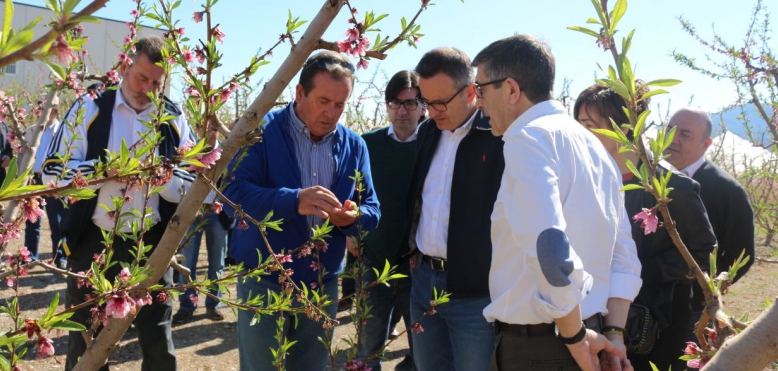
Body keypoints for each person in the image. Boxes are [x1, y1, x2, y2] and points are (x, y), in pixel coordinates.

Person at [471, 35, 641, 371]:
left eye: (480, 89)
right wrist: (614, 334)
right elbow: (624, 257)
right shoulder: (594, 147)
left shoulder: (527, 138)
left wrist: (574, 338)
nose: (477, 103)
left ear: (510, 89)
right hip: (587, 335)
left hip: (542, 347)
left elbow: (549, 249)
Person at [43, 36, 196, 371]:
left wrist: (162, 177)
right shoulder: (90, 106)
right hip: (93, 240)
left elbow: (198, 187)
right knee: (87, 340)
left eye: (158, 82)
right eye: (142, 77)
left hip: (152, 242)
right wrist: (102, 172)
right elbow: (52, 171)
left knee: (158, 338)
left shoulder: (173, 117)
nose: (150, 88)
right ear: (126, 65)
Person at [222, 50, 380, 371]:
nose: (331, 113)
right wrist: (293, 200)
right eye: (323, 101)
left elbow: (372, 209)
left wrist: (352, 218)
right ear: (299, 92)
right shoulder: (260, 132)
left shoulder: (354, 145)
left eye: (339, 105)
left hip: (323, 283)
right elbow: (233, 193)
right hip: (265, 279)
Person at [574, 84, 717, 371]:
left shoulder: (672, 187)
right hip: (592, 318)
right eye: (577, 124)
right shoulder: (580, 181)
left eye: (589, 125)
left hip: (654, 323)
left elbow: (704, 252)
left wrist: (639, 271)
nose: (580, 134)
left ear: (624, 127)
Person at [397, 47, 505, 371]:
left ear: (472, 91)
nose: (432, 112)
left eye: (440, 103)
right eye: (426, 102)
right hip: (423, 283)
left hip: (475, 292)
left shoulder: (498, 136)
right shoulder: (429, 132)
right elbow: (421, 194)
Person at [663, 108, 755, 343]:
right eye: (669, 130)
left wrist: (707, 293)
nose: (674, 139)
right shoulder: (650, 177)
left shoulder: (727, 190)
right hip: (646, 302)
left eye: (685, 134)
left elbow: (742, 254)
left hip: (693, 311)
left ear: (706, 143)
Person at [355, 70, 425, 371]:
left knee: (423, 345)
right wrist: (350, 231)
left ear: (423, 106)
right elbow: (352, 190)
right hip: (373, 260)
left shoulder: (434, 144)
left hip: (417, 265)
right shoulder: (367, 144)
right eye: (395, 103)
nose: (401, 111)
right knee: (368, 345)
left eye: (410, 103)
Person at [24, 95, 66, 268]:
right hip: (33, 179)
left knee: (57, 221)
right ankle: (30, 257)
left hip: (53, 180)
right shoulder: (31, 130)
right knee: (32, 220)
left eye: (46, 108)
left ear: (55, 110)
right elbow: (24, 156)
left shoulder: (64, 130)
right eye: (40, 108)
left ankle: (60, 257)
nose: (41, 112)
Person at [172, 203, 229, 323]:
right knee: (186, 265)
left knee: (217, 264)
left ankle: (213, 304)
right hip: (191, 210)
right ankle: (187, 306)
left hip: (218, 212)